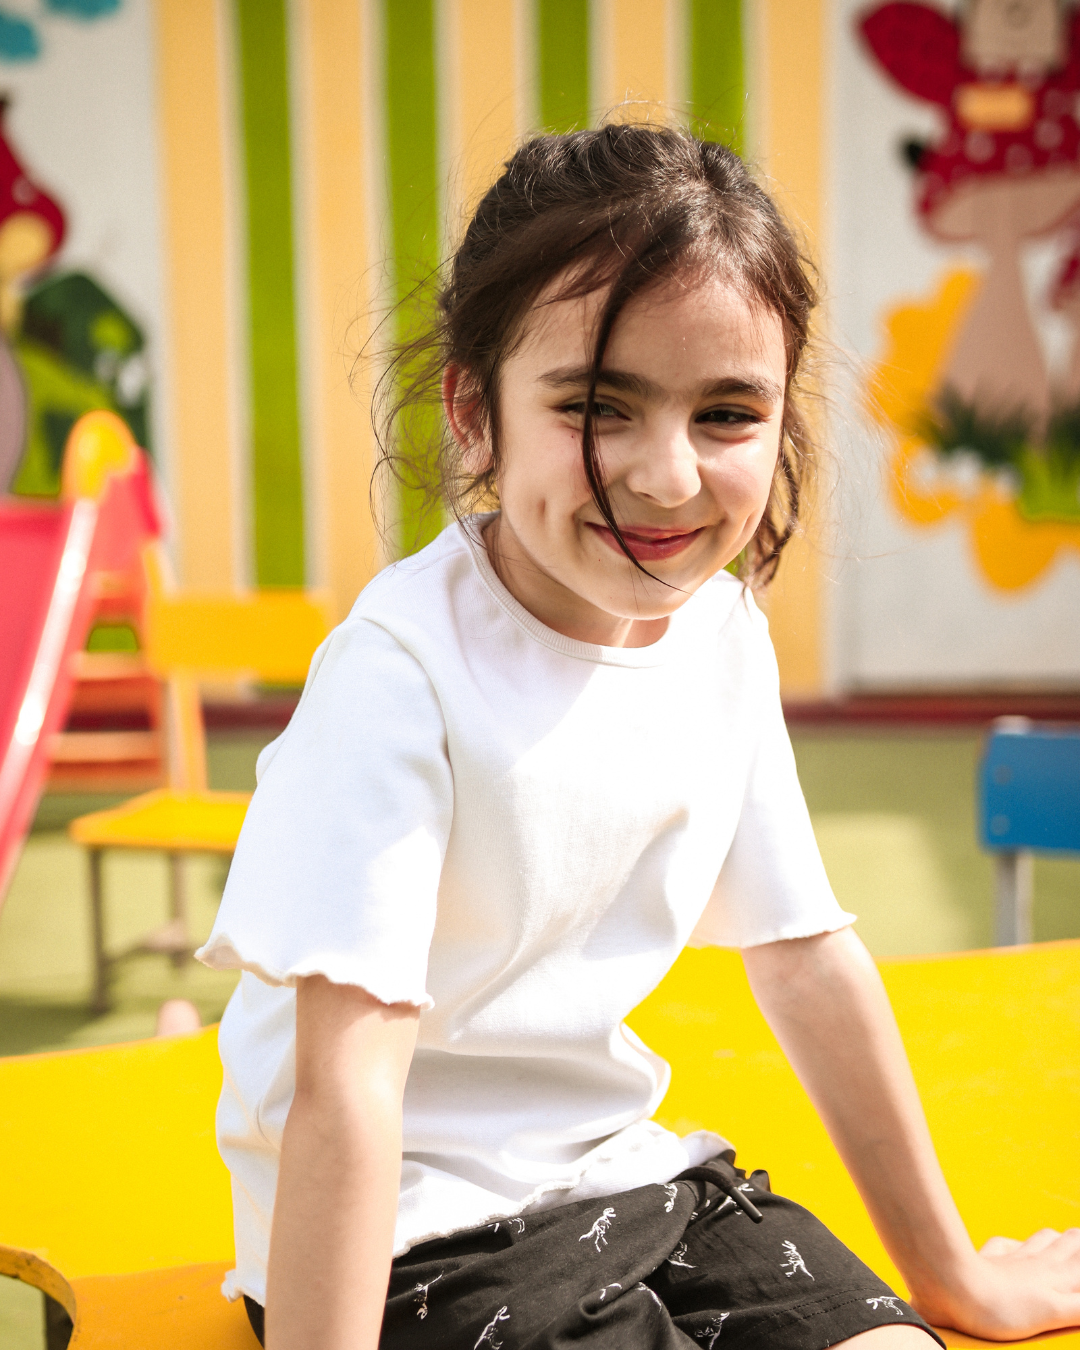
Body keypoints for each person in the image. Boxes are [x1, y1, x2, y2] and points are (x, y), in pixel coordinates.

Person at [196, 125, 1080, 1350]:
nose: (665, 478)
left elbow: (809, 962)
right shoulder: (399, 676)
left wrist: (958, 1285)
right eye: (598, 406)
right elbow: (348, 1091)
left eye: (727, 412)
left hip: (632, 1181)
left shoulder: (720, 635)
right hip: (407, 1237)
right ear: (474, 410)